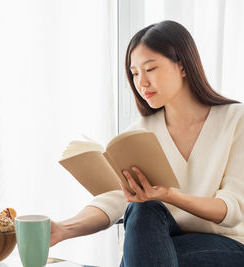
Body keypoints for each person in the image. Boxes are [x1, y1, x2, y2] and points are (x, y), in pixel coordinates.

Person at [50, 20, 244, 266]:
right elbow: (114, 199)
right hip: (157, 245)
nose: (141, 83)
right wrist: (63, 229)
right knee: (143, 209)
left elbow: (232, 210)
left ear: (182, 65)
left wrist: (171, 196)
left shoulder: (236, 120)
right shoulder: (140, 133)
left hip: (228, 245)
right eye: (134, 73)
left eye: (150, 69)